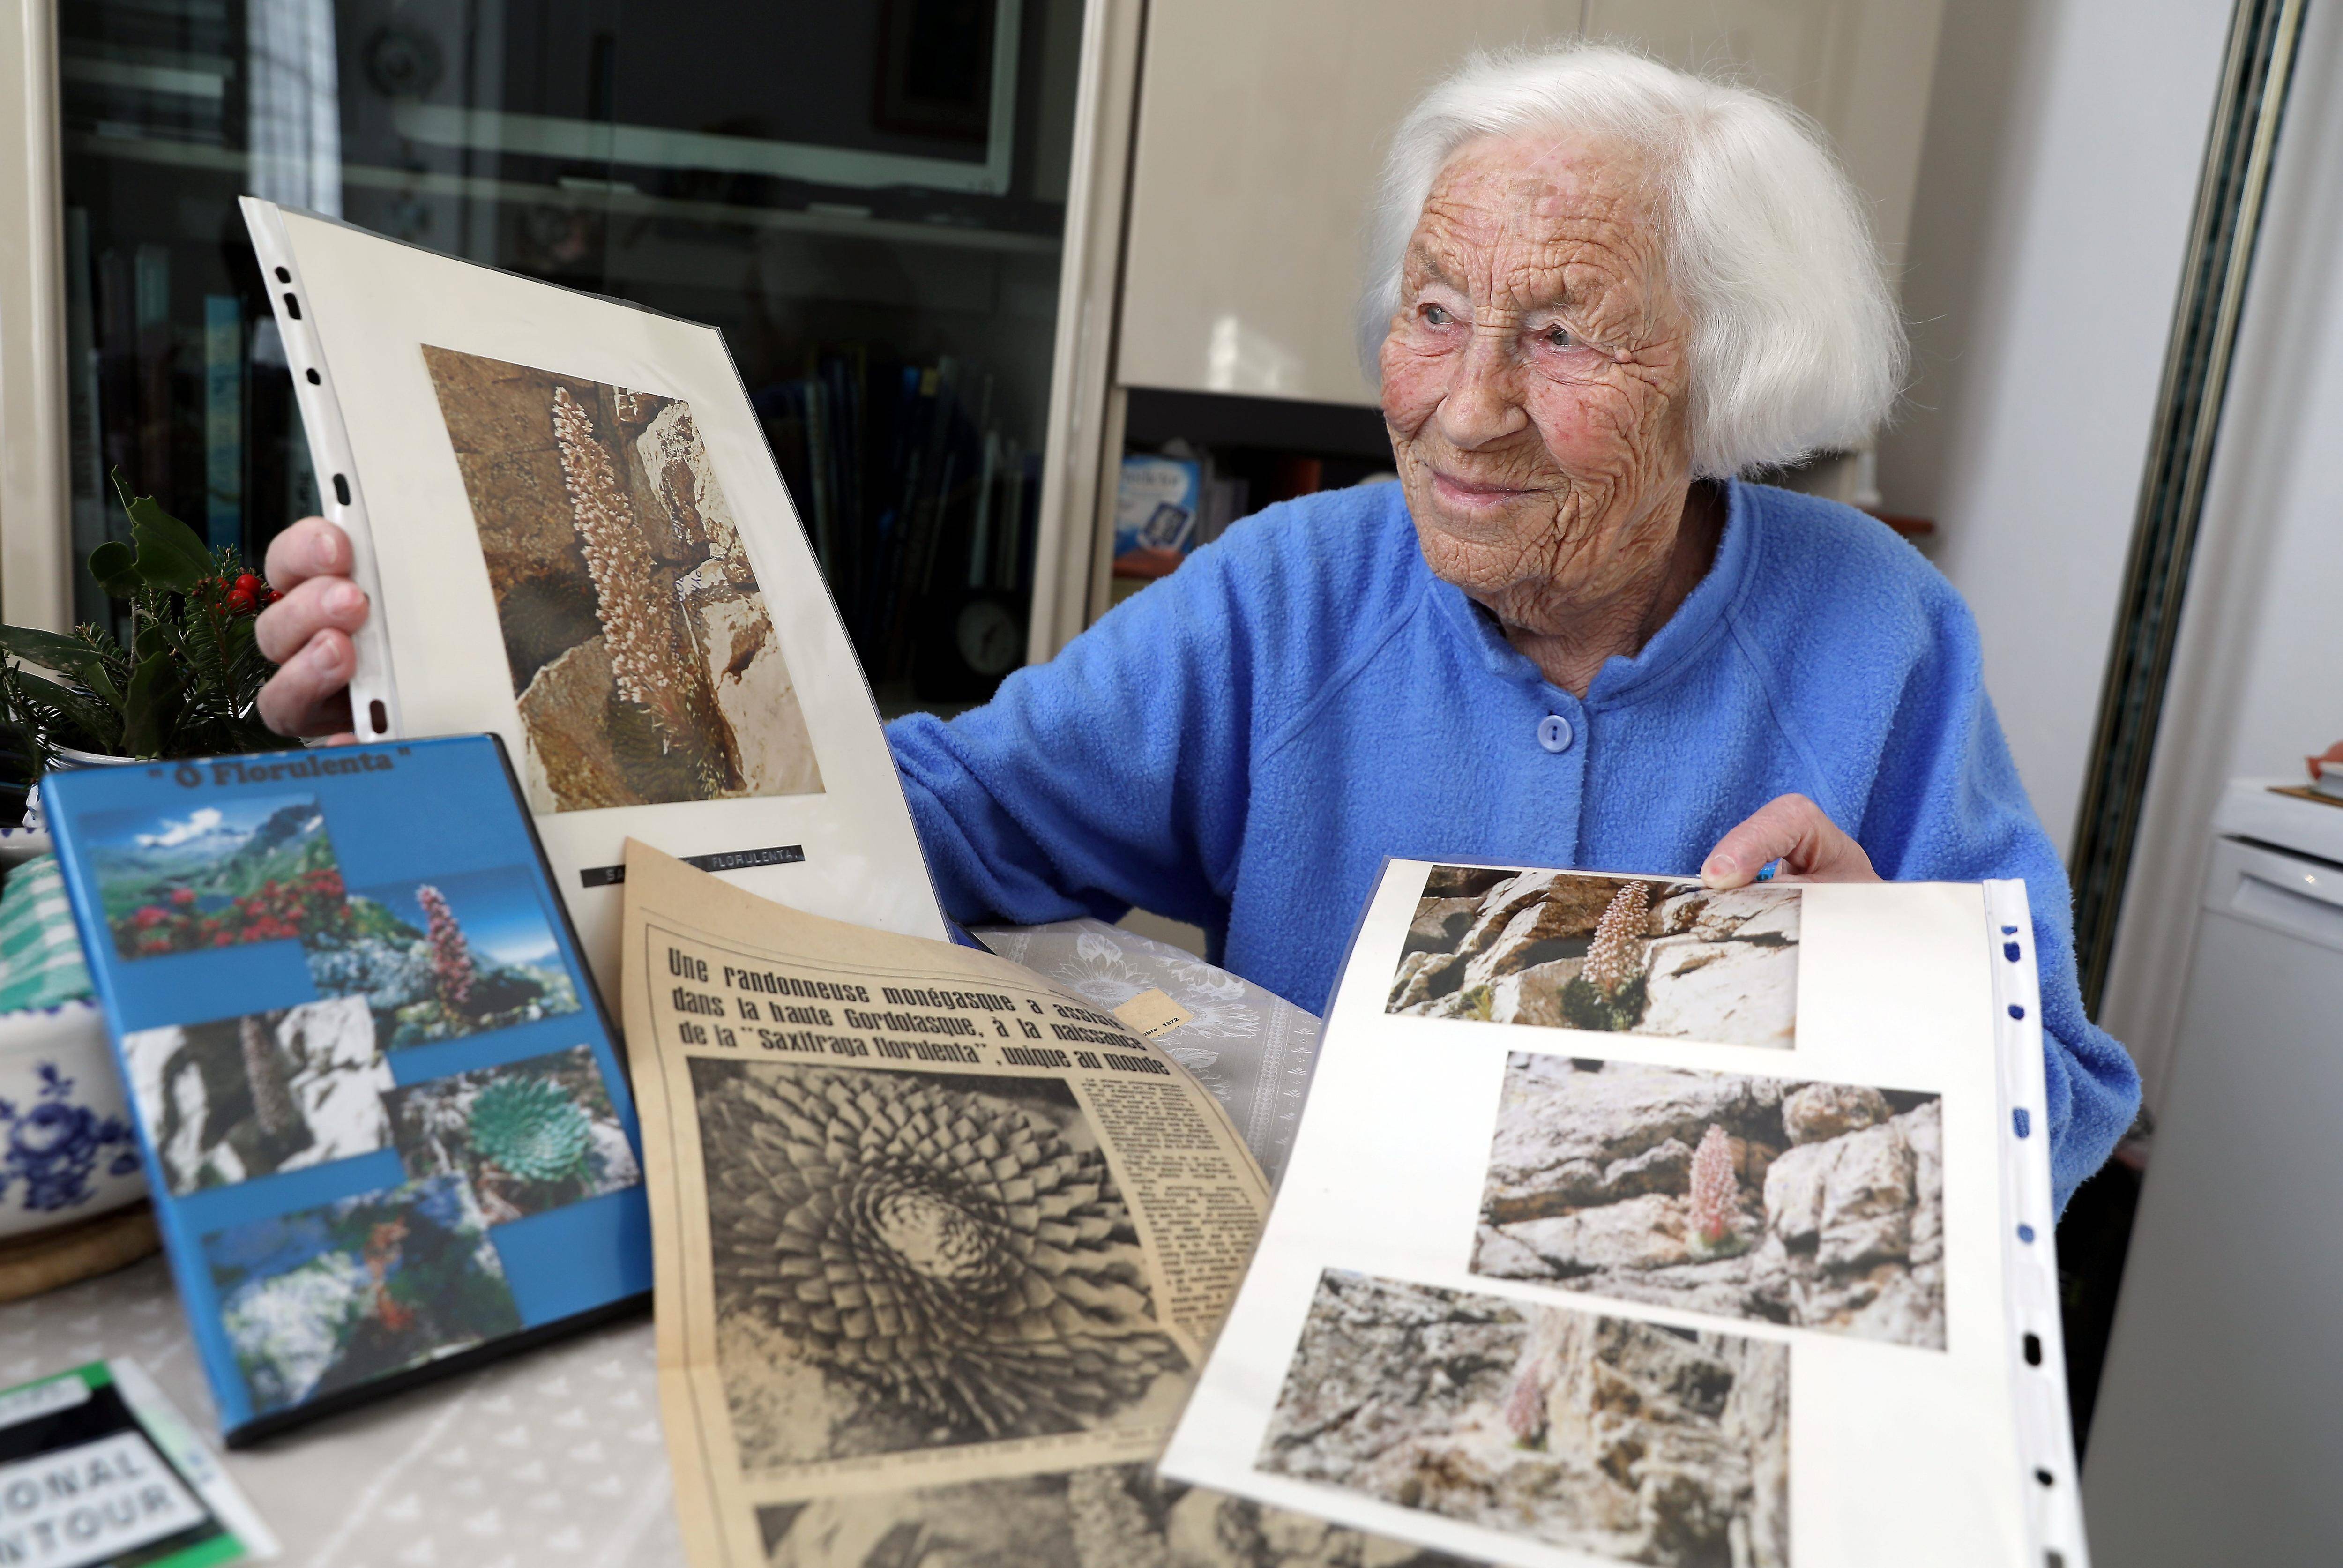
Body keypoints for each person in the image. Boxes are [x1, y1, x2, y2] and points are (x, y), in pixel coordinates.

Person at [250, 43, 2137, 1210]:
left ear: (1724, 370)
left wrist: (1877, 1000)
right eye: (1427, 311)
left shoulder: (1879, 636)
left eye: (1556, 333)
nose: (1459, 406)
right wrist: (476, 720)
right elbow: (909, 825)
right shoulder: (1289, 591)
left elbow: (2056, 1105)